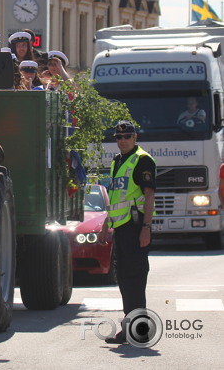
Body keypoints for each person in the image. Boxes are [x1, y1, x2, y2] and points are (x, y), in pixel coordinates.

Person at [100, 120, 156, 344]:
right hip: (121, 228)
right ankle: (129, 328)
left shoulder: (142, 160)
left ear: (135, 138)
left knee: (134, 279)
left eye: (127, 136)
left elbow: (149, 195)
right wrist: (106, 225)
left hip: (135, 227)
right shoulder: (117, 161)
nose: (122, 141)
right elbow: (115, 198)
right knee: (124, 278)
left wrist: (146, 228)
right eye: (118, 137)